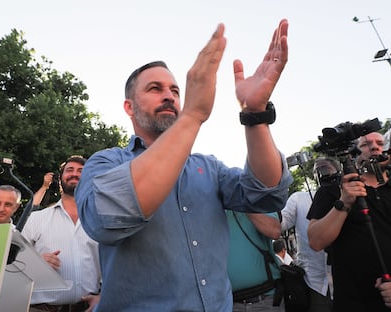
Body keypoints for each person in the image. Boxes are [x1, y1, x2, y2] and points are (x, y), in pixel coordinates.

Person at [75, 19, 292, 311]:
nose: (169, 96)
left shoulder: (209, 168)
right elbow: (106, 220)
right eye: (155, 88)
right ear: (129, 107)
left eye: (176, 91)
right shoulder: (107, 162)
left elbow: (266, 193)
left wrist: (254, 114)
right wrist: (192, 116)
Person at [307, 131, 391, 312]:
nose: (375, 147)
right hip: (353, 301)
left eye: (380, 143)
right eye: (366, 144)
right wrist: (344, 202)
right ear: (353, 154)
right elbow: (315, 241)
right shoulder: (331, 191)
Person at [21, 156, 101, 312]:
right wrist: (36, 261)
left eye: (81, 171)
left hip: (90, 308)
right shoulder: (37, 219)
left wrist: (103, 296)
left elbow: (113, 263)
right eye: (69, 170)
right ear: (60, 179)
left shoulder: (101, 220)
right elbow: (13, 262)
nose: (75, 174)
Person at [281, 189, 333, 312]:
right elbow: (280, 224)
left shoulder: (353, 194)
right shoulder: (298, 198)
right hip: (313, 283)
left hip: (348, 280)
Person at [228, 211, 284, 311]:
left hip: (265, 299)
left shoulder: (259, 200)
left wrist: (242, 204)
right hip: (229, 303)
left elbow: (274, 231)